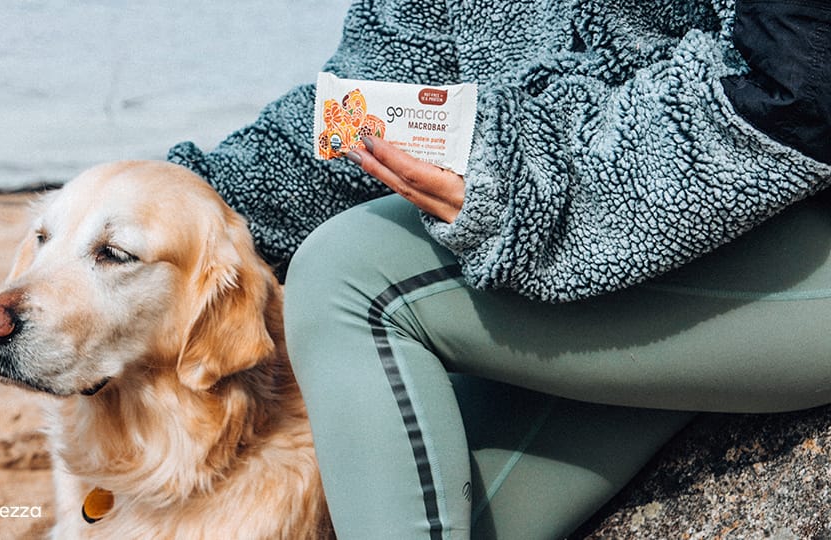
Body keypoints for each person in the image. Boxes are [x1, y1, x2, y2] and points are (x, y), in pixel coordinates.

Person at [169, 0, 831, 537]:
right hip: (633, 288)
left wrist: (530, 186)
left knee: (347, 271)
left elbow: (792, 85)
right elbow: (368, 113)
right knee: (400, 484)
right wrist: (150, 211)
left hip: (799, 256)